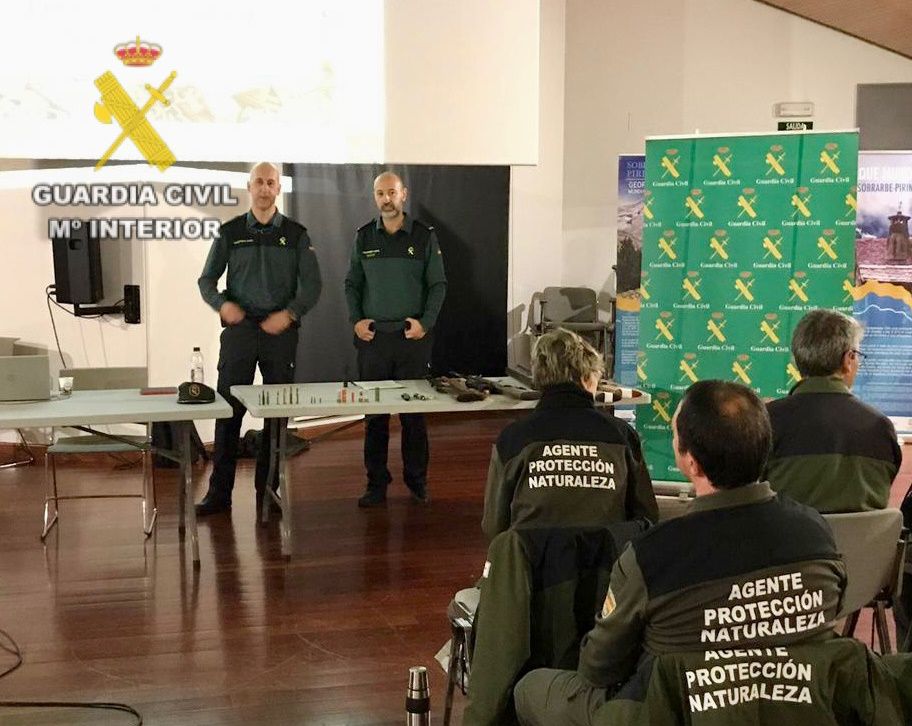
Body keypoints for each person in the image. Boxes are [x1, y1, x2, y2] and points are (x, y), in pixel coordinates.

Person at [513, 380, 847, 725]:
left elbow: (598, 668)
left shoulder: (650, 555)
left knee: (530, 688)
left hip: (667, 712)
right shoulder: (817, 532)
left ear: (691, 463)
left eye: (674, 434)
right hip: (796, 706)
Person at [195, 162, 322, 516]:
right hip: (240, 333)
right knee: (228, 412)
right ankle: (219, 494)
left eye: (271, 183)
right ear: (249, 187)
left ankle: (269, 492)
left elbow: (312, 285)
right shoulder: (230, 232)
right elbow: (206, 281)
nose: (265, 188)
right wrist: (223, 305)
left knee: (276, 416)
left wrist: (290, 314)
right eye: (259, 182)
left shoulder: (296, 234)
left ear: (278, 189)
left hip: (279, 334)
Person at [482, 328, 657, 542]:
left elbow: (493, 527)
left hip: (533, 571)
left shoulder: (512, 439)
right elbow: (647, 519)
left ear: (539, 377)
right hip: (608, 570)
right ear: (585, 378)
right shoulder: (622, 436)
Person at [344, 171, 447, 508]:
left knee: (413, 416)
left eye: (392, 192)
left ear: (404, 195)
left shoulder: (423, 236)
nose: (386, 199)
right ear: (375, 197)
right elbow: (352, 285)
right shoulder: (363, 237)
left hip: (411, 338)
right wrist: (356, 320)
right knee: (374, 416)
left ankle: (417, 482)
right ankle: (376, 484)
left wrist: (426, 324)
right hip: (374, 340)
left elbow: (438, 285)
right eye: (380, 193)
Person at [766, 308, 901, 513]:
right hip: (863, 545)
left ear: (797, 359)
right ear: (848, 359)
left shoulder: (764, 422)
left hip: (787, 544)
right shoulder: (880, 428)